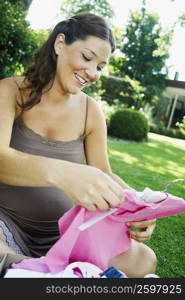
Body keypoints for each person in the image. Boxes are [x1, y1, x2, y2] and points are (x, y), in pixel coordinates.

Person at [0, 13, 156, 277]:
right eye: (87, 58)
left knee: (143, 260)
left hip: (68, 237)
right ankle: (35, 269)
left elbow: (104, 175)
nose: (93, 73)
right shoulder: (11, 91)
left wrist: (138, 206)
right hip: (6, 227)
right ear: (60, 44)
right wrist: (63, 172)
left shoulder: (91, 111)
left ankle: (43, 271)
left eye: (100, 66)